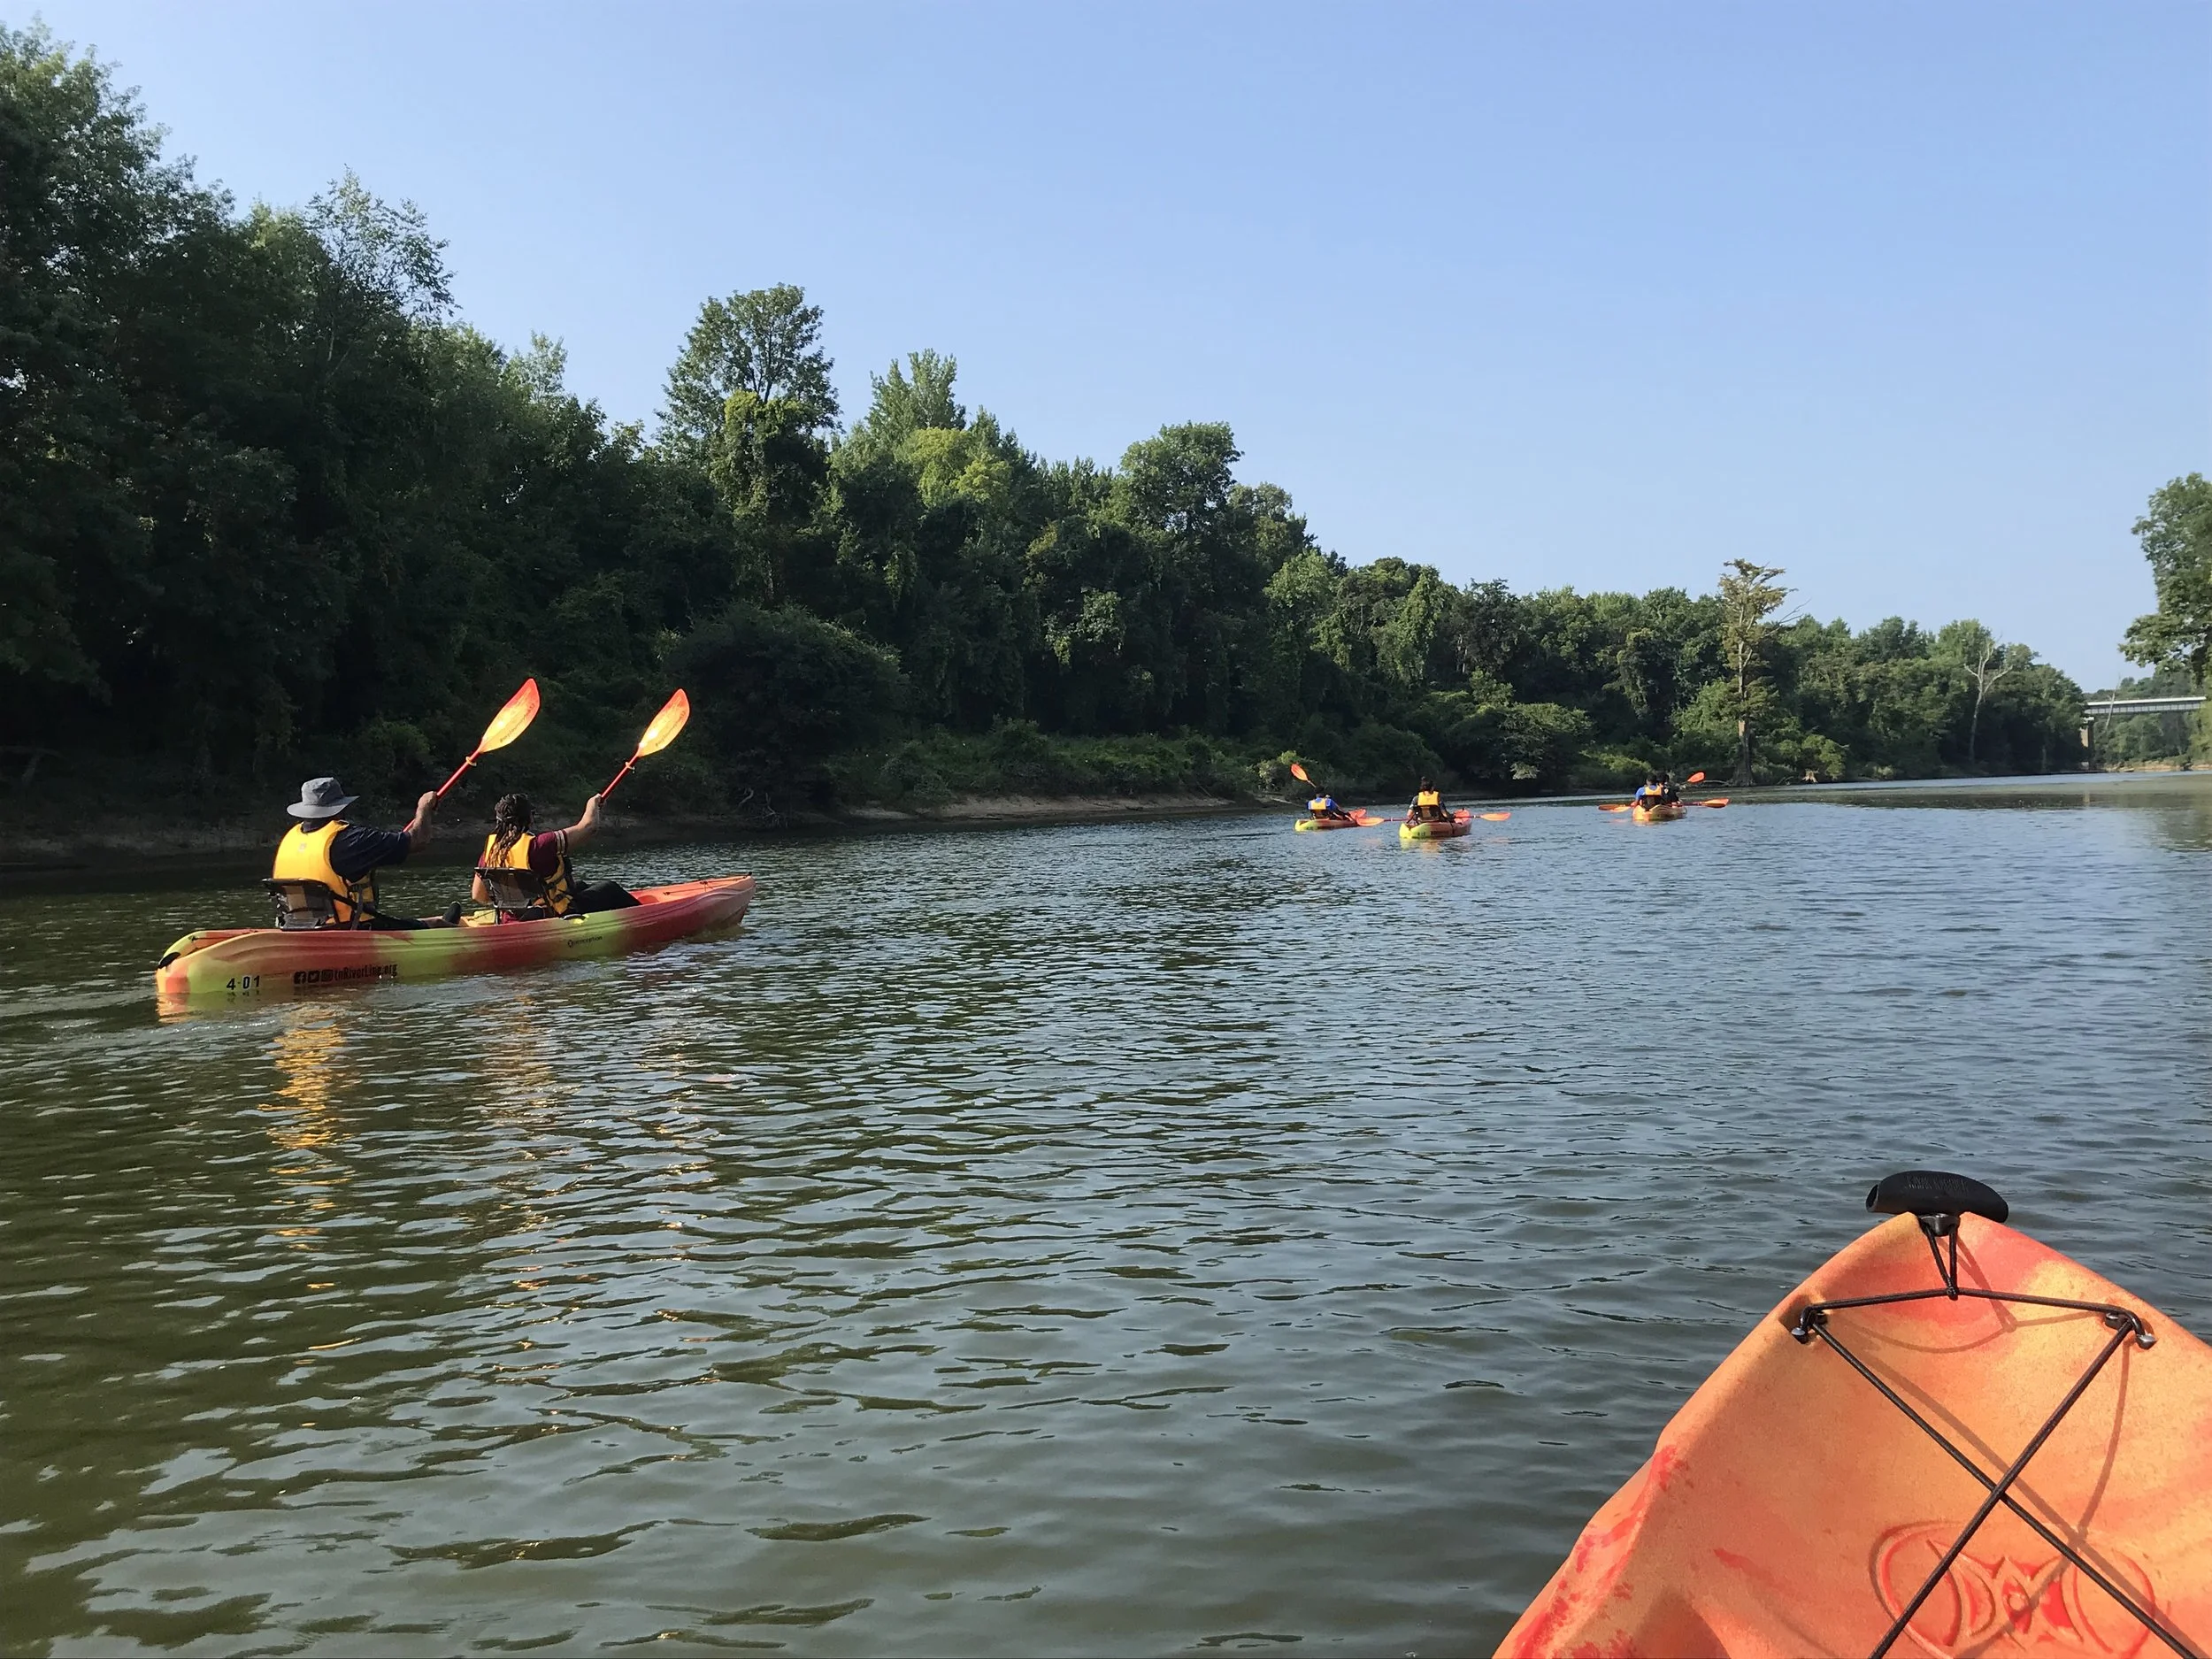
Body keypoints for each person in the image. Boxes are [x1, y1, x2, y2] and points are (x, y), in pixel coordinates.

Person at [272, 776, 458, 929]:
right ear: (341, 808)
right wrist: (424, 807)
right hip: (352, 929)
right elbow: (418, 840)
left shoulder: (290, 840)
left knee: (429, 921)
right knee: (437, 925)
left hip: (296, 929)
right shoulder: (352, 839)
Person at [472, 792, 637, 918]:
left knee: (579, 886)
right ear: (529, 818)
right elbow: (589, 827)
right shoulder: (539, 845)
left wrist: (517, 903)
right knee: (610, 888)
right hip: (551, 915)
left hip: (515, 917)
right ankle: (647, 918)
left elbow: (478, 895)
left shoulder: (490, 852)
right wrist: (592, 804)